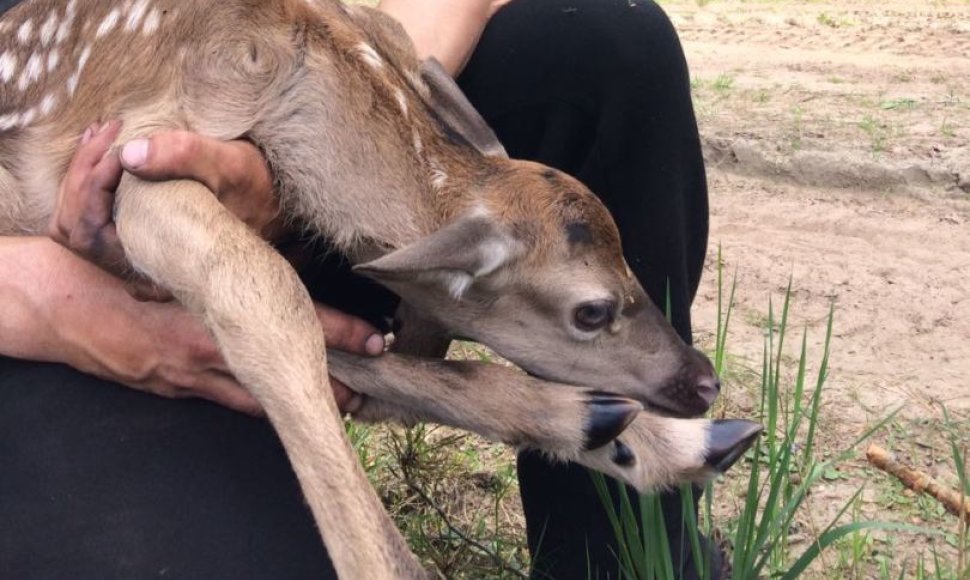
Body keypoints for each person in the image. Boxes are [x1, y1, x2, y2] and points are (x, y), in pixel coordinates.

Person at [0, 0, 716, 578]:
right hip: (37, 264)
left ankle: (622, 561)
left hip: (303, 174)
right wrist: (76, 311)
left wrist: (288, 162)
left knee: (603, 49)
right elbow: (152, 196)